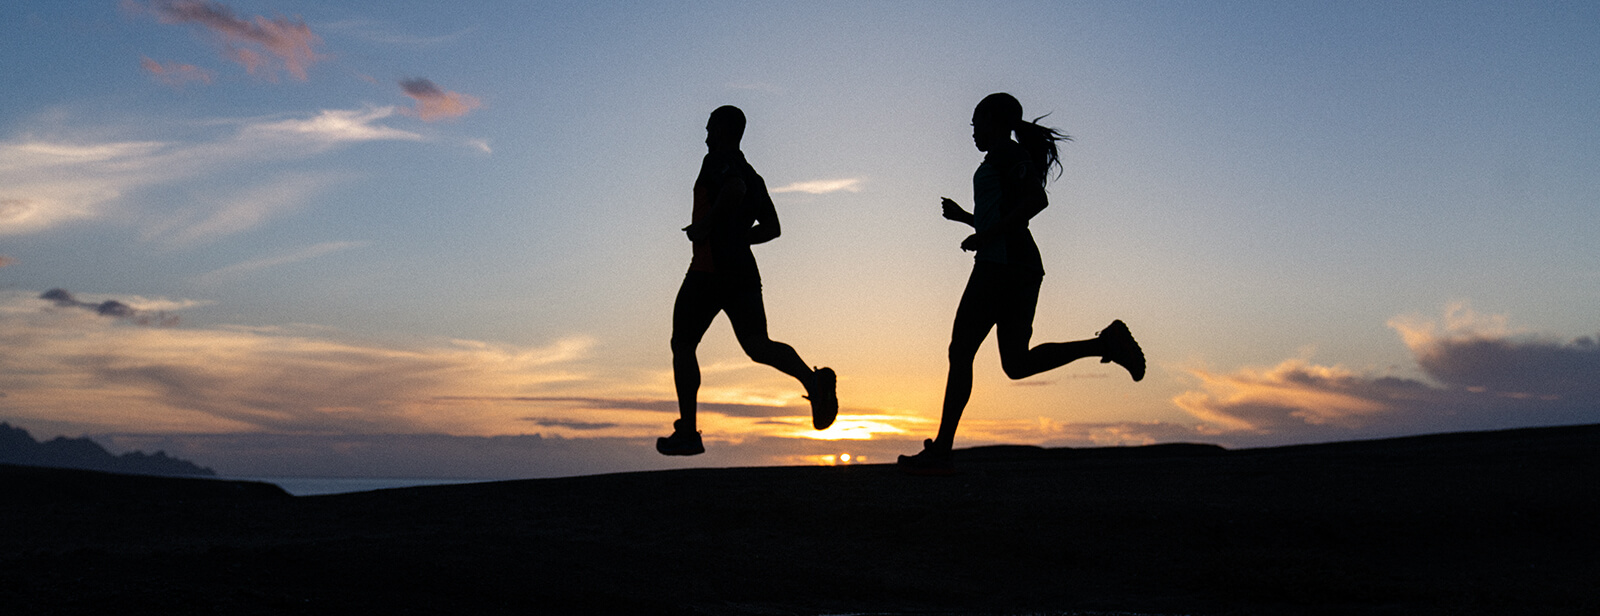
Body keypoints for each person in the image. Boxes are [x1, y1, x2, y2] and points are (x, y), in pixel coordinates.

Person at [898, 93, 1144, 475]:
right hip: (1018, 265)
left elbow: (1035, 201)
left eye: (977, 123)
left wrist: (985, 234)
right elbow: (1009, 213)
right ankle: (1104, 343)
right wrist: (969, 219)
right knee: (1015, 363)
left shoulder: (1007, 156)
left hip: (1002, 267)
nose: (973, 132)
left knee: (961, 351)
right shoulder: (1003, 158)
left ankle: (942, 451)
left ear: (996, 123)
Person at [657, 105, 838, 456]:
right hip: (742, 270)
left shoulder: (719, 162)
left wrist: (707, 226)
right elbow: (772, 228)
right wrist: (740, 239)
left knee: (682, 344)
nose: (706, 135)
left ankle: (689, 432)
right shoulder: (755, 175)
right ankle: (812, 381)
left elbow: (734, 189)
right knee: (757, 345)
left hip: (709, 270)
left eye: (710, 128)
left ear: (725, 131)